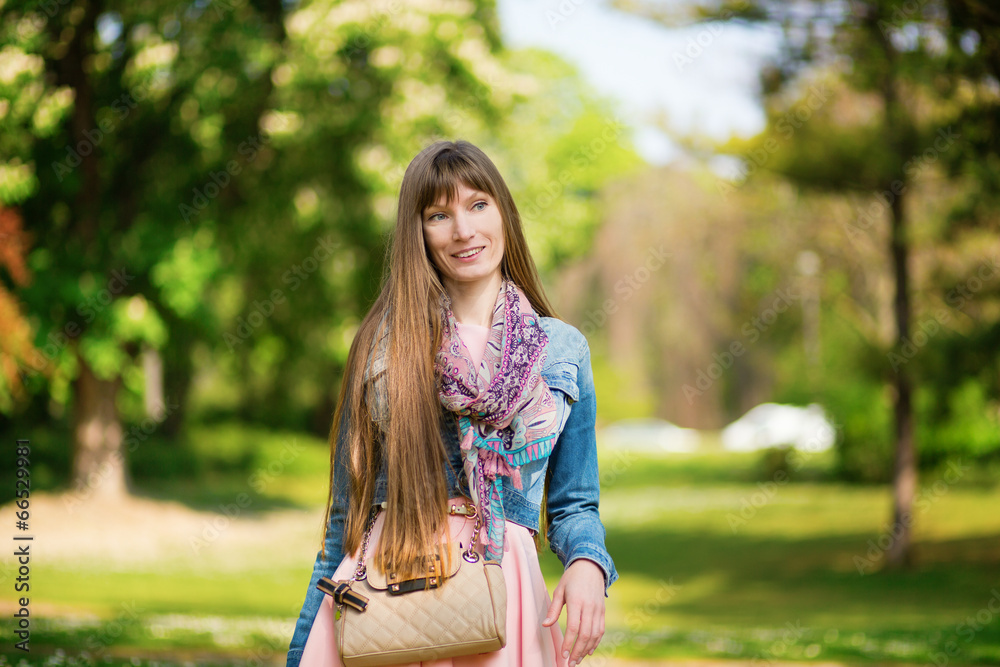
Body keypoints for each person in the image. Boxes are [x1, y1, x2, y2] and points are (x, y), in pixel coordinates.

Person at [286, 139, 617, 667]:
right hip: (391, 590)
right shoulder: (384, 345)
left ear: (503, 213)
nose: (463, 231)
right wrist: (303, 650)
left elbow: (575, 504)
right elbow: (341, 527)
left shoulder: (562, 349)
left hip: (502, 596)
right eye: (439, 215)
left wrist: (587, 565)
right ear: (417, 233)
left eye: (478, 205)